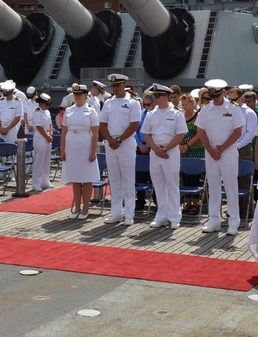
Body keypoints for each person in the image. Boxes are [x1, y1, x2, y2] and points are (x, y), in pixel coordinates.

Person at [196, 79, 245, 236]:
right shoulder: (205, 110)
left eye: (217, 95)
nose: (215, 98)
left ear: (224, 92)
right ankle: (214, 220)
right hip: (210, 152)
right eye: (212, 95)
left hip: (228, 151)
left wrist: (222, 148)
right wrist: (210, 149)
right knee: (213, 186)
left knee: (231, 187)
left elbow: (238, 131)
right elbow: (200, 131)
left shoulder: (233, 108)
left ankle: (233, 222)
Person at [142, 84, 187, 229]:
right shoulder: (151, 114)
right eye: (154, 96)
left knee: (172, 185)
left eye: (157, 96)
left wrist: (166, 148)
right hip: (155, 153)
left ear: (165, 97)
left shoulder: (176, 113)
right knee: (158, 185)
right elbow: (147, 134)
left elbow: (180, 135)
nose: (155, 98)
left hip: (171, 152)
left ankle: (174, 216)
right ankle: (161, 215)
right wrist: (156, 149)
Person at [98, 73, 141, 226]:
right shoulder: (108, 103)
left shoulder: (133, 102)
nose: (115, 88)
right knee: (114, 179)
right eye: (113, 86)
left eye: (117, 85)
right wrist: (110, 139)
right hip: (111, 144)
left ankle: (129, 214)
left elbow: (134, 124)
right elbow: (102, 123)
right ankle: (116, 212)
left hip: (126, 143)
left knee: (128, 180)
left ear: (124, 85)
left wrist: (119, 139)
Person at [61, 84, 100, 220]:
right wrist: (63, 149)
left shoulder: (91, 111)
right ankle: (77, 207)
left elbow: (95, 133)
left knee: (86, 178)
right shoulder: (69, 110)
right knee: (76, 178)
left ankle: (85, 208)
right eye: (75, 94)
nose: (77, 96)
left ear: (85, 96)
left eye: (80, 94)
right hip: (71, 143)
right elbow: (64, 131)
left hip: (85, 143)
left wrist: (93, 151)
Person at [177, 92, 205, 215]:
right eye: (182, 105)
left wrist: (188, 145)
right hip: (182, 149)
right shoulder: (180, 116)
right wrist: (179, 146)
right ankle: (187, 203)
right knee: (185, 177)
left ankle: (195, 204)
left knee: (194, 177)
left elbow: (199, 134)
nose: (184, 107)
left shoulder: (198, 116)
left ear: (192, 104)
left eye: (186, 104)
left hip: (195, 149)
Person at [30, 93, 54, 192]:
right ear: (41, 103)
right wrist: (47, 136)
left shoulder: (47, 112)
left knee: (46, 161)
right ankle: (36, 183)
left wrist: (51, 135)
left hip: (48, 137)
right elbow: (39, 126)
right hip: (40, 138)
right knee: (39, 161)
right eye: (46, 104)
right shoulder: (36, 112)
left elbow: (50, 125)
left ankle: (45, 181)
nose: (47, 106)